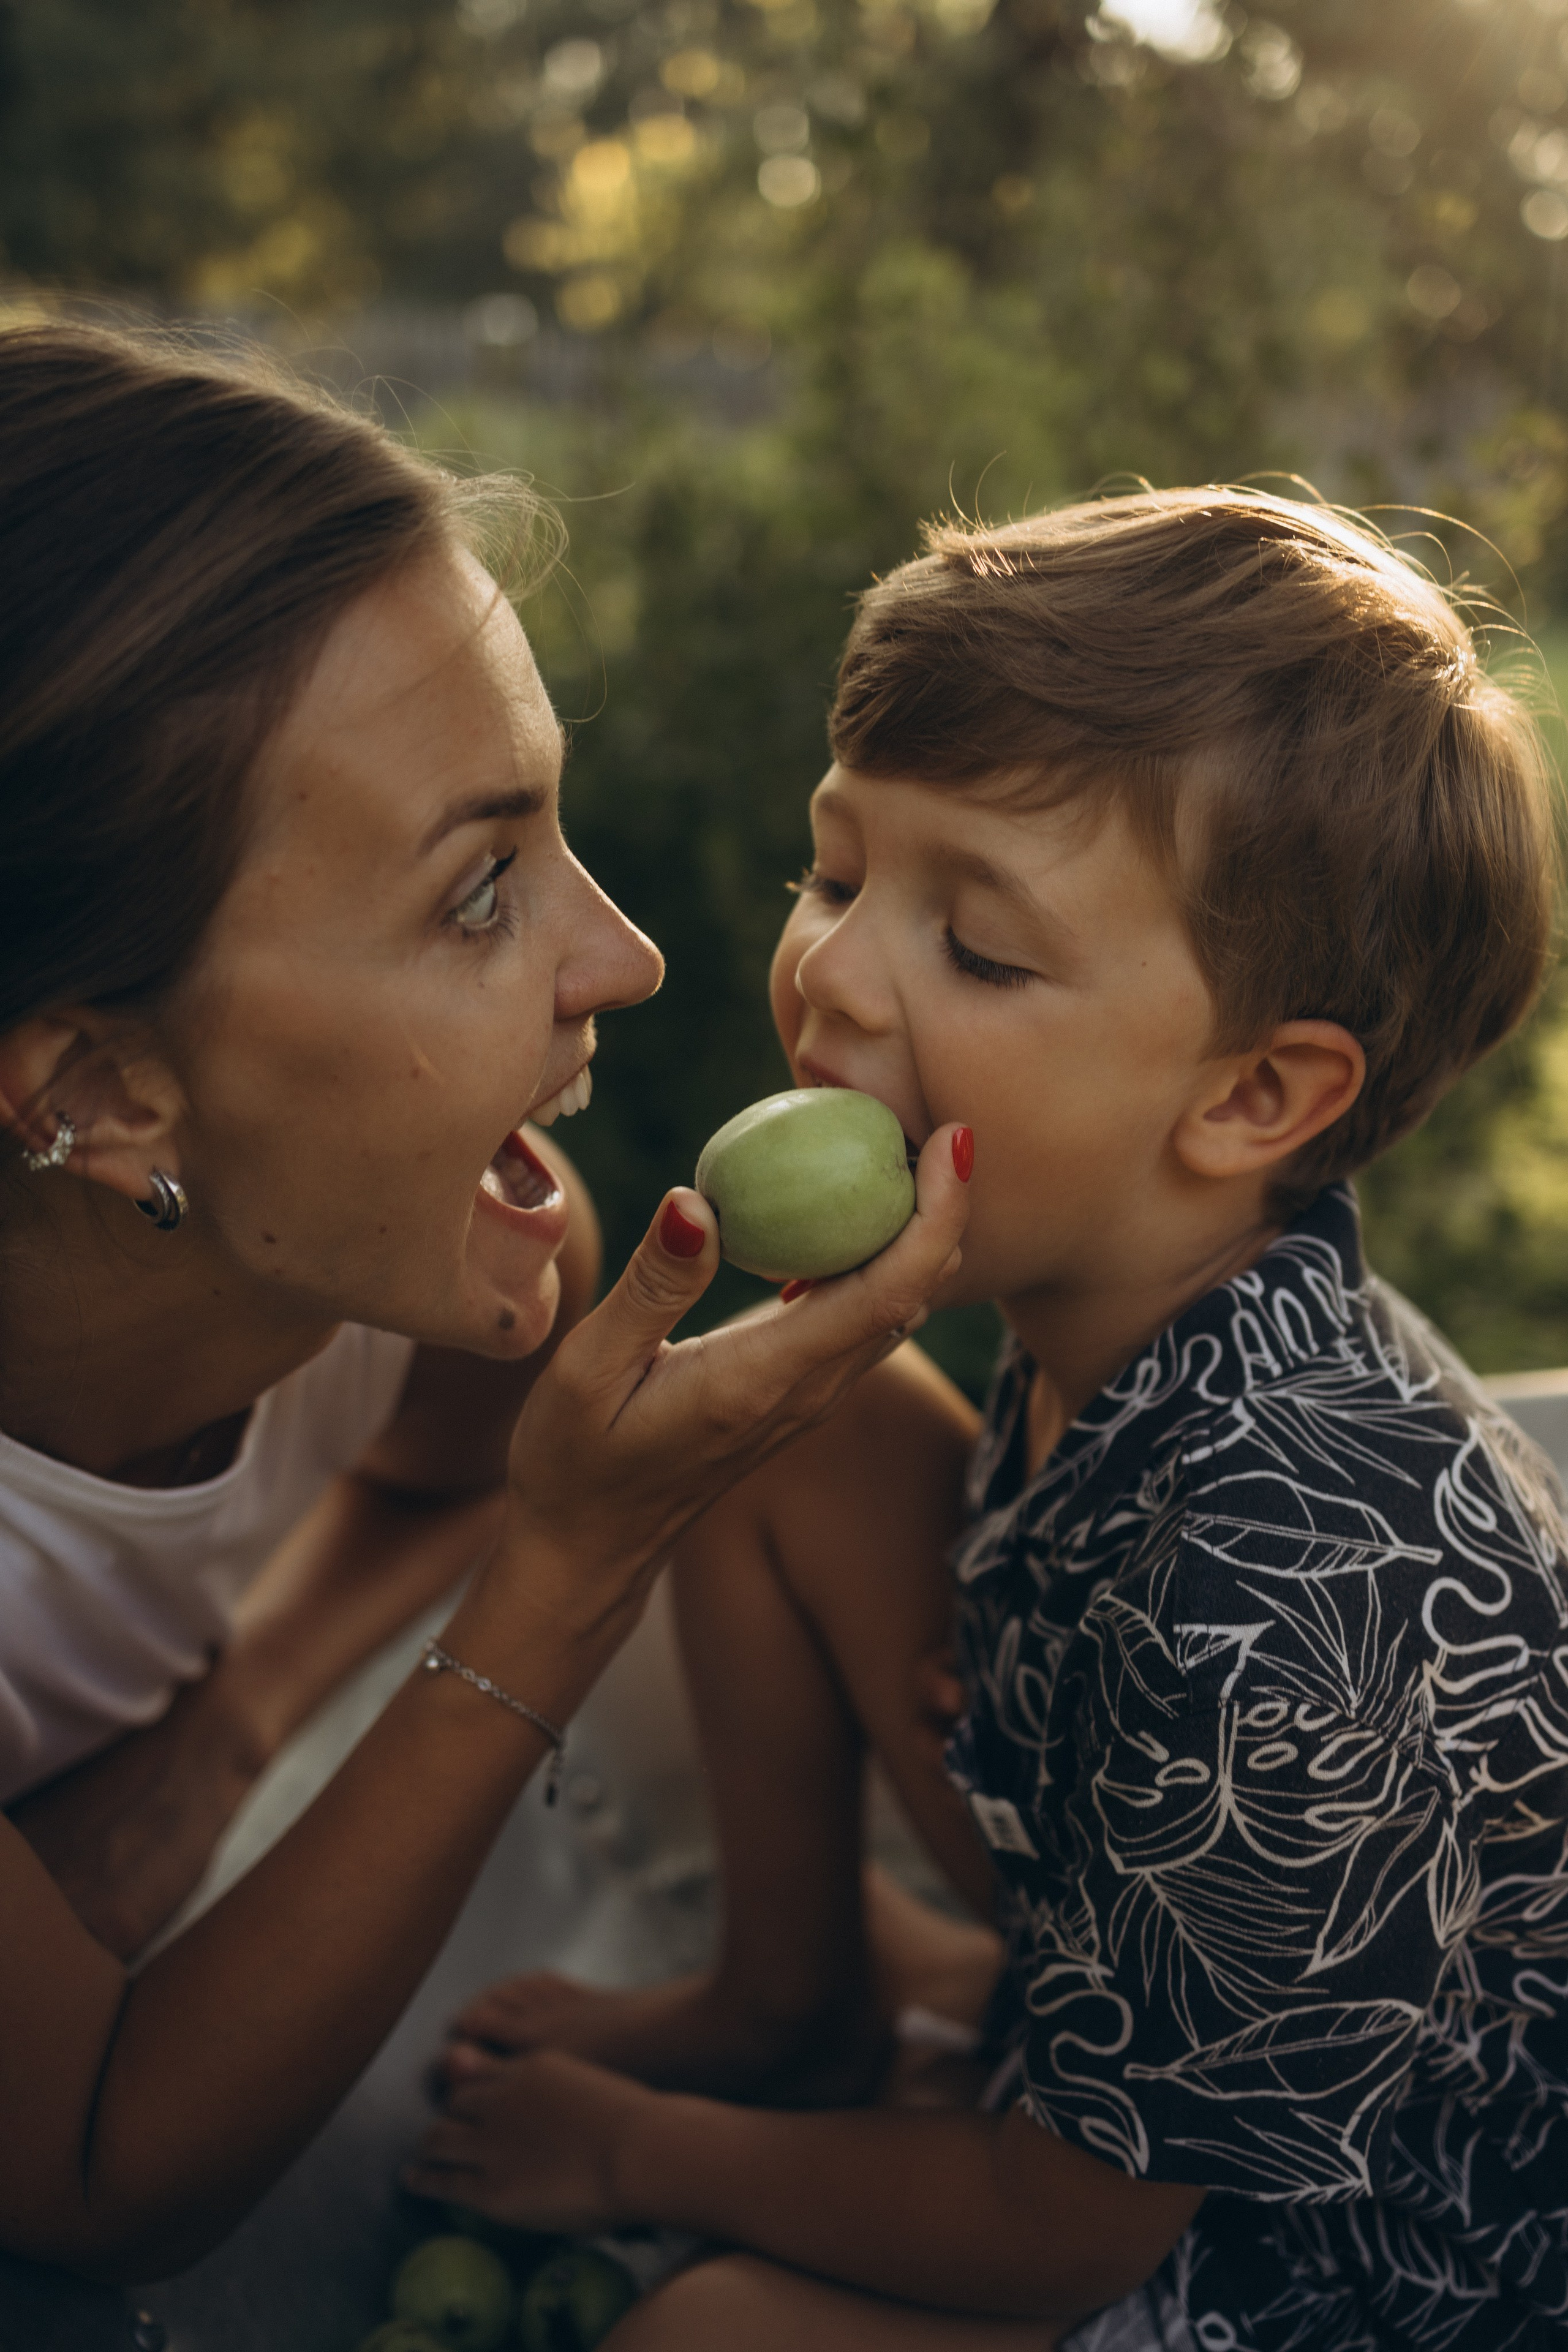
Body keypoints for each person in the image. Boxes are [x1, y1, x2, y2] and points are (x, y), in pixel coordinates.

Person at [405, 491, 1568, 2352]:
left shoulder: (1284, 1617)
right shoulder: (1121, 1293)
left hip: (1320, 2272)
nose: (837, 973)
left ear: (1254, 1095)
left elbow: (1062, 2240)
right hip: (1129, 1883)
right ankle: (799, 1999)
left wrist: (650, 2157)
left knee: (699, 2337)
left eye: (982, 951)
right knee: (785, 1419)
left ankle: (874, 2055)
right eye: (844, 871)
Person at [0, 318, 974, 2300]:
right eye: (476, 894)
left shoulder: (413, 1251)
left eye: (549, 828)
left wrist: (235, 1711)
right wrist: (572, 1564)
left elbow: (437, 1472)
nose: (616, 957)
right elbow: (90, 2179)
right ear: (98, 1095)